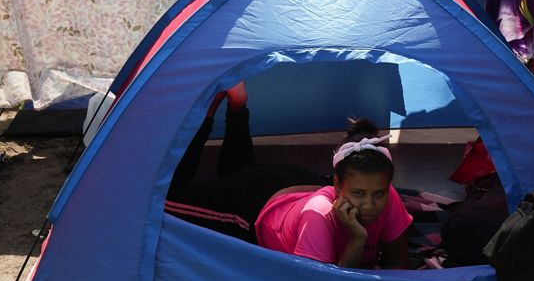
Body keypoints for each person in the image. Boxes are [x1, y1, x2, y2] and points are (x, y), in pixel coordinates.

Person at [166, 85, 412, 269]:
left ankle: (238, 105)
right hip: (251, 201)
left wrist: (360, 237)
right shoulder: (319, 215)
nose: (370, 205)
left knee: (240, 166)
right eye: (358, 194)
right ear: (336, 184)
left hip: (294, 180)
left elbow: (399, 269)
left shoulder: (388, 196)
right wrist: (357, 241)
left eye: (378, 193)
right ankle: (207, 114)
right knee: (165, 201)